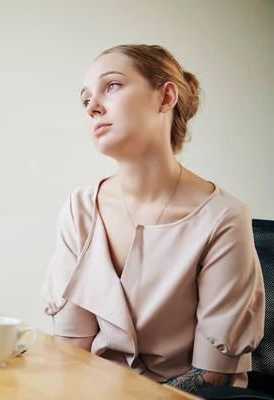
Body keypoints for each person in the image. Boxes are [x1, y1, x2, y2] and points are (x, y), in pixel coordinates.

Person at [41, 44, 265, 395]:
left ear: (166, 97)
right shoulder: (80, 208)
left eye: (111, 86)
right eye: (85, 101)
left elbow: (212, 375)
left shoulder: (224, 218)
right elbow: (72, 353)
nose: (93, 107)